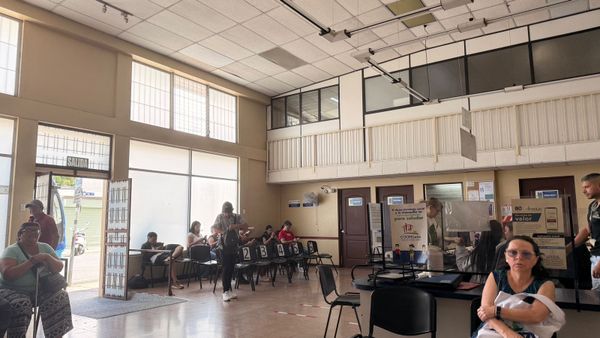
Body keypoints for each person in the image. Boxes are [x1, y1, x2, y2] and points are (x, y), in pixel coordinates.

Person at [0, 222, 73, 337]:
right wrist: (31, 261)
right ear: (20, 234)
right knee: (22, 303)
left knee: (60, 296)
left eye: (36, 231)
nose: (34, 233)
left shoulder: (45, 247)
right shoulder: (12, 250)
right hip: (11, 290)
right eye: (29, 231)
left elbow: (58, 267)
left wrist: (47, 257)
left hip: (38, 289)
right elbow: (8, 274)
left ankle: (56, 334)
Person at [475, 236, 556, 338]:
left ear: (536, 259)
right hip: (493, 331)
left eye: (526, 254)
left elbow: (536, 315)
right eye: (513, 253)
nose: (519, 257)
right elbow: (486, 313)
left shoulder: (545, 284)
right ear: (506, 257)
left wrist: (497, 311)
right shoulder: (496, 277)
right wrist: (508, 334)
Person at [213, 201, 248, 302]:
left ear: (232, 211)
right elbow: (214, 228)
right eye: (225, 212)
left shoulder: (237, 217)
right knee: (226, 268)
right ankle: (225, 291)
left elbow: (246, 225)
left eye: (228, 212)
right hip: (223, 247)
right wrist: (224, 232)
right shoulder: (219, 217)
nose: (227, 214)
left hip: (234, 246)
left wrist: (236, 226)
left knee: (232, 268)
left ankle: (229, 290)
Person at [572, 173, 600, 290]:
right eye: (583, 187)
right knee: (596, 294)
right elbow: (588, 230)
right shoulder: (592, 206)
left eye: (587, 186)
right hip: (594, 255)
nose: (584, 191)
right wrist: (569, 247)